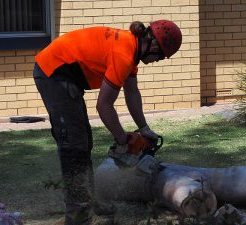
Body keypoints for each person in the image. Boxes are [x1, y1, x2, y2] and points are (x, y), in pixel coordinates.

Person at [33, 19, 182, 225]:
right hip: (53, 72)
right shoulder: (123, 54)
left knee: (84, 142)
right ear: (154, 45)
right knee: (74, 145)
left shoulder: (131, 50)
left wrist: (144, 129)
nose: (158, 60)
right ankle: (78, 216)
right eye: (161, 56)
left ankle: (89, 202)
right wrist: (122, 139)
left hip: (66, 75)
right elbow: (104, 106)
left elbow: (132, 93)